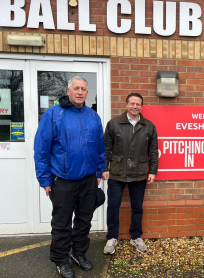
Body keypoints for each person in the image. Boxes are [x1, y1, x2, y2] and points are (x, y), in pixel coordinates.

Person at [34, 76, 105, 278]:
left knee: (84, 220)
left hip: (88, 179)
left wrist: (99, 171)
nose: (80, 92)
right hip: (63, 180)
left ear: (87, 92)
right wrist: (45, 180)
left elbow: (100, 147)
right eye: (76, 88)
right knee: (62, 223)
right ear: (69, 90)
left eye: (83, 88)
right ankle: (61, 260)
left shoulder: (93, 116)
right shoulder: (53, 114)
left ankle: (79, 254)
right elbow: (41, 149)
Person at [102, 93, 158, 255]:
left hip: (139, 173)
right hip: (117, 173)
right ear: (126, 105)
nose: (135, 107)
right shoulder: (113, 124)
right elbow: (106, 148)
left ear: (141, 106)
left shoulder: (149, 126)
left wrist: (152, 171)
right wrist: (105, 168)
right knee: (113, 206)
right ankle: (112, 237)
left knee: (137, 207)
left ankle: (136, 236)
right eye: (132, 103)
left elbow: (153, 151)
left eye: (138, 104)